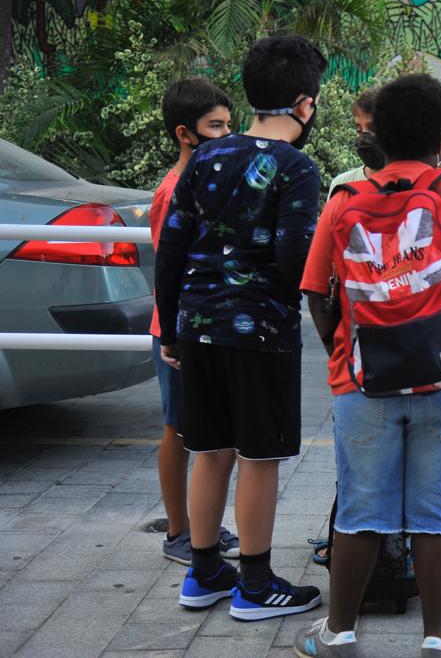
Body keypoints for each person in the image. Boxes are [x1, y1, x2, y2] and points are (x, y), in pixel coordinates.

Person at [294, 74, 441, 658]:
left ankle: (338, 634)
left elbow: (316, 291)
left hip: (363, 379)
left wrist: (338, 349)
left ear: (377, 136)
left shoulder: (344, 200)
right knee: (438, 510)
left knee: (362, 510)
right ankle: (439, 638)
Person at [155, 34, 326, 620]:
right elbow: (294, 259)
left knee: (210, 448)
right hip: (261, 334)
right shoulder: (296, 168)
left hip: (196, 323)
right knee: (259, 455)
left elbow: (172, 246)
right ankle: (254, 585)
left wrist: (171, 330)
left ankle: (204, 574)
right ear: (305, 102)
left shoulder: (205, 156)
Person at [151, 78, 238, 566]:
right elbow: (170, 267)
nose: (227, 134)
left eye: (229, 124)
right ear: (186, 133)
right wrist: (171, 332)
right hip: (175, 331)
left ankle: (201, 525)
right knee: (177, 428)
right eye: (216, 126)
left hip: (199, 325)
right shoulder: (172, 191)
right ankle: (179, 531)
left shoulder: (204, 181)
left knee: (200, 428)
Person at [327, 88, 384, 196]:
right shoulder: (342, 185)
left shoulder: (410, 187)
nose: (364, 136)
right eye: (359, 130)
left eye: (373, 128)